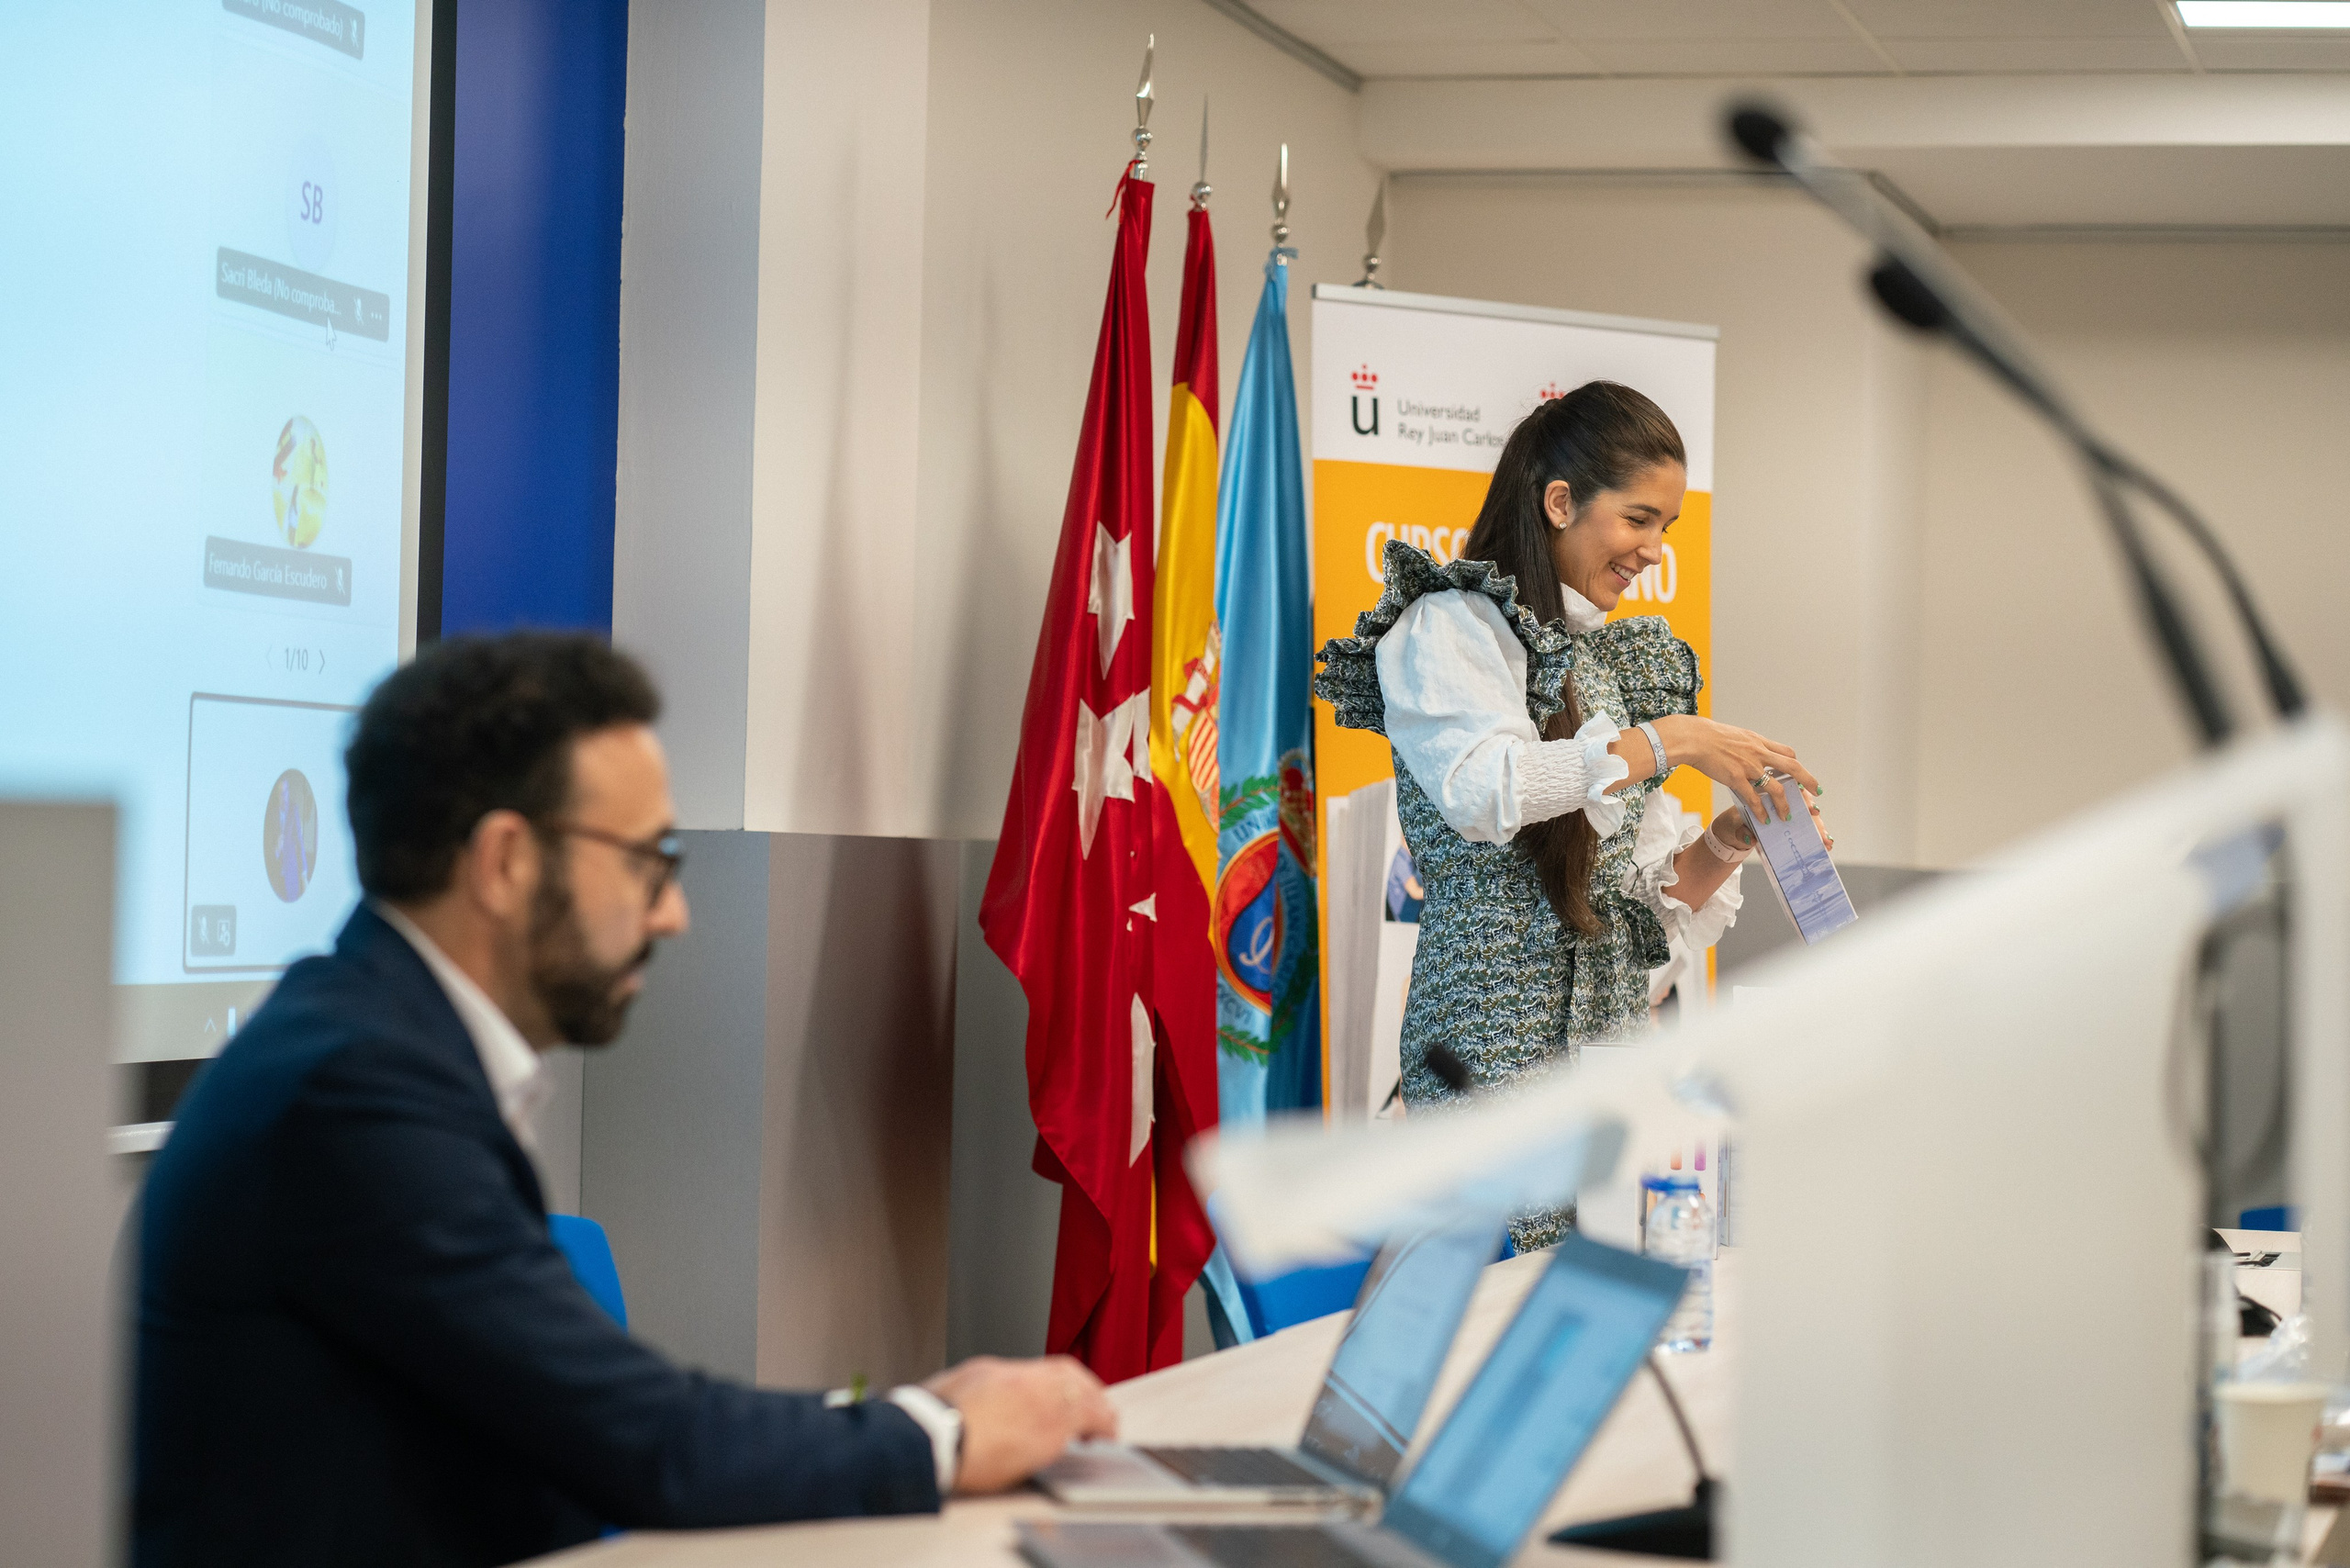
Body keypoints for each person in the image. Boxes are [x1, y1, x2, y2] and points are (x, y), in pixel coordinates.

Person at [133, 633, 1115, 1568]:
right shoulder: (350, 1094)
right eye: (648, 862)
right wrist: (940, 1434)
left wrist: (913, 1419)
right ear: (506, 860)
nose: (675, 912)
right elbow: (645, 1443)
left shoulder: (371, 1041)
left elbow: (594, 1429)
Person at [1314, 383, 1823, 1251]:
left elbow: (1643, 908)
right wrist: (1675, 739)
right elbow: (1488, 790)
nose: (1655, 550)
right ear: (1559, 502)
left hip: (1608, 1072)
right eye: (1639, 519)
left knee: (1593, 1328)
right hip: (1484, 1068)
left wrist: (1730, 840)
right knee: (1486, 1336)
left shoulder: (1619, 664)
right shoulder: (1449, 627)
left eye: (1667, 527)